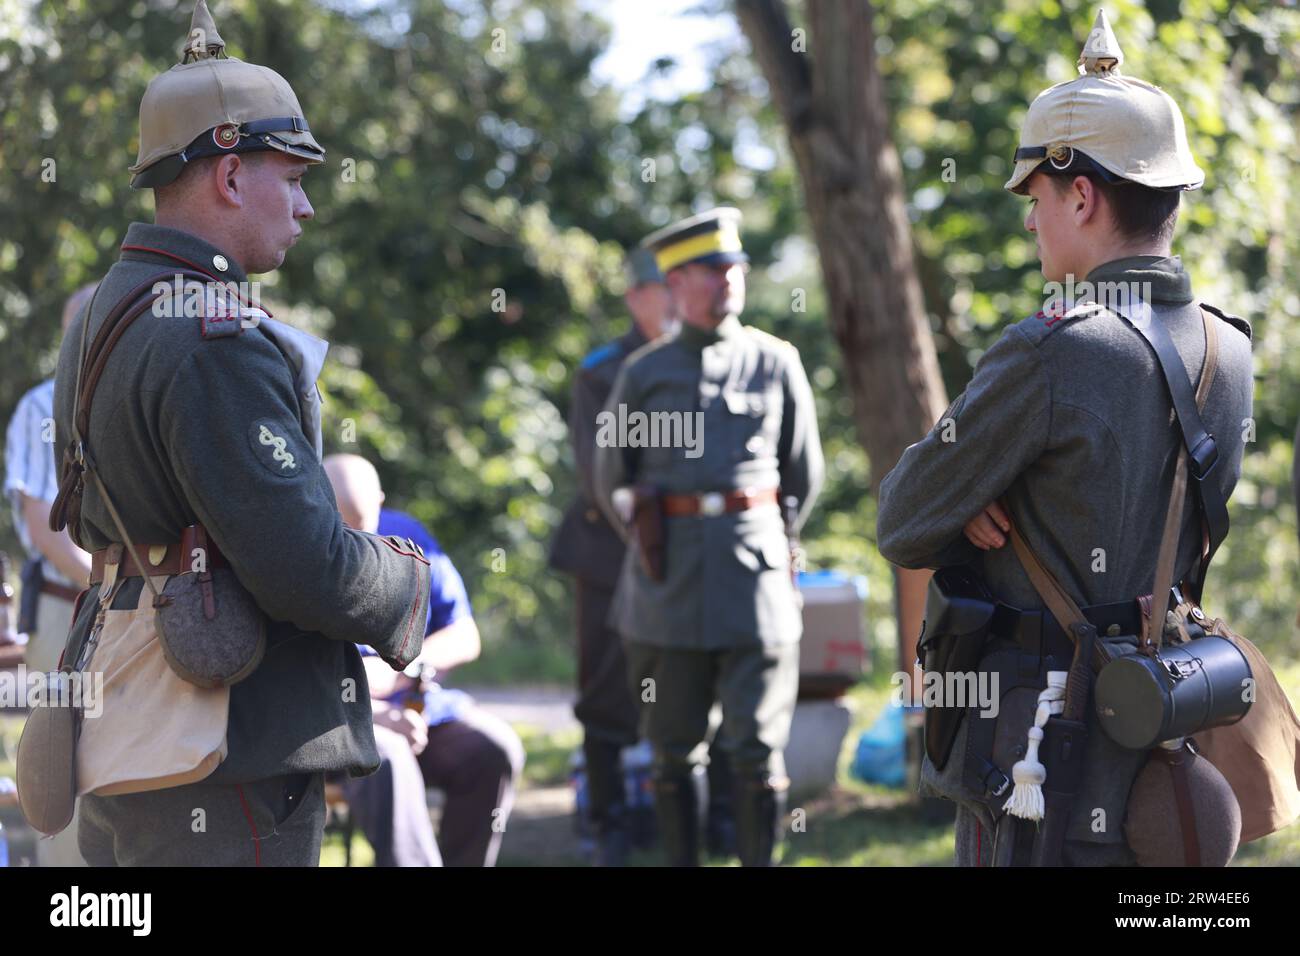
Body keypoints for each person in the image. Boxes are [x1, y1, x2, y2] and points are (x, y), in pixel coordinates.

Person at [49, 0, 432, 866]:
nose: (303, 208)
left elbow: (83, 520)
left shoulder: (103, 313)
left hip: (129, 726)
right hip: (226, 761)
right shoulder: (214, 337)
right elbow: (306, 568)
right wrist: (410, 588)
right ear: (229, 178)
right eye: (292, 179)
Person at [876, 10, 1253, 866]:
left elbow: (903, 519)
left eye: (1037, 198)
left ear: (1080, 194)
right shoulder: (1229, 349)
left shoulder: (1052, 346)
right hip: (1164, 724)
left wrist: (979, 490)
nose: (1031, 221)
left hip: (1040, 750)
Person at [593, 207, 824, 866]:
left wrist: (769, 542)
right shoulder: (643, 373)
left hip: (755, 584)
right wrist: (649, 539)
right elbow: (612, 478)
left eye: (735, 267)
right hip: (666, 587)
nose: (728, 280)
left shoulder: (776, 362)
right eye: (712, 269)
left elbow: (803, 473)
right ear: (676, 282)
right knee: (672, 748)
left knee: (755, 747)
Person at [325, 454, 525, 867]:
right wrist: (366, 701)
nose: (357, 544)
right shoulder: (284, 552)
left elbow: (464, 635)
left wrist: (403, 670)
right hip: (331, 725)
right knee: (390, 754)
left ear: (380, 500)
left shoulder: (409, 537)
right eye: (344, 528)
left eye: (366, 527)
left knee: (494, 749)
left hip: (420, 710)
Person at [3, 284, 97, 866]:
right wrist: (117, 594)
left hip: (136, 610)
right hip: (70, 612)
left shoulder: (144, 392)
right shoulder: (44, 406)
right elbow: (45, 526)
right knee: (64, 775)